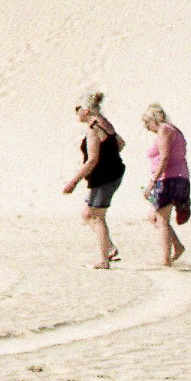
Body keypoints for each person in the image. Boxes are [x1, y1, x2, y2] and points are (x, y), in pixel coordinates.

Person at [61, 93, 125, 267]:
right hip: (109, 174)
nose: (76, 113)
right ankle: (109, 249)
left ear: (87, 110)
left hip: (105, 177)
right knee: (87, 214)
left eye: (78, 109)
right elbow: (120, 143)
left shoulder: (93, 129)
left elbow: (92, 160)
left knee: (97, 217)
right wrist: (109, 156)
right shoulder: (104, 122)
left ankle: (104, 260)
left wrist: (73, 182)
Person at [141, 104, 190, 266]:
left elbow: (165, 157)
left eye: (147, 124)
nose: (147, 128)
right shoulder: (173, 130)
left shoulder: (165, 130)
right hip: (177, 177)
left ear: (153, 120)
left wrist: (152, 182)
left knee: (161, 220)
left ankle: (165, 260)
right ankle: (177, 246)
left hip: (169, 179)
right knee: (153, 216)